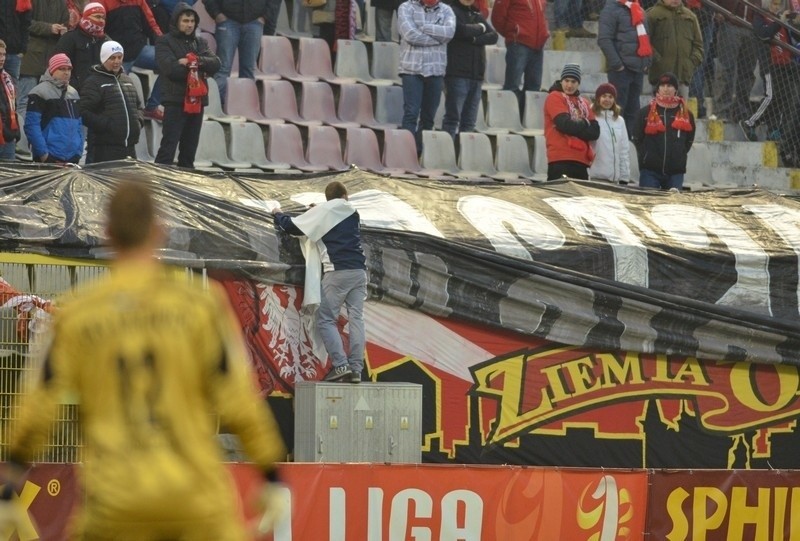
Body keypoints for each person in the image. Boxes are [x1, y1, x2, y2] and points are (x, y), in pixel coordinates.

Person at [0, 180, 288, 539]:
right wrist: (271, 476)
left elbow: (39, 406)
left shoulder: (78, 315)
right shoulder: (200, 307)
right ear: (159, 230)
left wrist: (8, 487)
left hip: (116, 505)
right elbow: (239, 399)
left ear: (106, 234)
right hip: (194, 501)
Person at [272, 181, 368, 384]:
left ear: (327, 198)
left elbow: (293, 227)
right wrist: (318, 211)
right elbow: (333, 219)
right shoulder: (353, 210)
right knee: (357, 319)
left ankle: (341, 365)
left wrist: (278, 213)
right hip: (360, 272)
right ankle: (357, 369)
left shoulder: (324, 210)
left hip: (337, 272)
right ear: (345, 195)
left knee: (325, 319)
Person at [155, 2, 220, 168]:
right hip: (175, 101)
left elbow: (216, 63)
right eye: (185, 21)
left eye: (192, 21)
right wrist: (200, 69)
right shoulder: (164, 41)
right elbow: (170, 69)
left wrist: (193, 61)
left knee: (189, 151)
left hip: (197, 102)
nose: (189, 24)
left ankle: (184, 188)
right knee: (167, 150)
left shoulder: (200, 43)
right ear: (177, 21)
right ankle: (158, 186)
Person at [397, 0, 456, 154]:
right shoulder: (406, 7)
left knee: (428, 118)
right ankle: (406, 154)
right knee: (411, 114)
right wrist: (437, 37)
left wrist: (423, 28)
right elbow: (410, 35)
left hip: (436, 70)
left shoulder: (447, 10)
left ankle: (422, 153)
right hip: (411, 69)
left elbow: (449, 33)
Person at [738, 0, 800, 142]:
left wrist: (796, 23)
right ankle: (749, 122)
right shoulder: (760, 16)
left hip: (787, 65)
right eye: (773, 3)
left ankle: (776, 131)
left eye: (778, 4)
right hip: (771, 64)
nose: (775, 7)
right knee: (770, 97)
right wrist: (780, 22)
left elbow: (796, 39)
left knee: (790, 99)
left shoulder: (783, 20)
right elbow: (763, 34)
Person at [441, 0, 497, 140]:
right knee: (452, 119)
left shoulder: (476, 12)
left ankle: (463, 155)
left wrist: (473, 39)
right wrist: (481, 29)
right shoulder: (451, 11)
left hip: (476, 74)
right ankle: (447, 153)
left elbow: (493, 36)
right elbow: (460, 30)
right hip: (457, 73)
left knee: (469, 122)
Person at [80, 41, 142, 163]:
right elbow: (83, 111)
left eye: (120, 57)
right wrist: (107, 125)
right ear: (104, 59)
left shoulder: (127, 79)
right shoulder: (93, 82)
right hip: (104, 149)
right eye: (112, 58)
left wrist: (138, 123)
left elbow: (138, 107)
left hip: (129, 148)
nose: (117, 61)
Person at [597, 0, 653, 135]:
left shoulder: (639, 9)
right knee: (617, 109)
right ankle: (614, 139)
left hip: (638, 69)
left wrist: (646, 63)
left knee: (633, 110)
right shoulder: (611, 9)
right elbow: (604, 39)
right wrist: (618, 65)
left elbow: (646, 38)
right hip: (620, 70)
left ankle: (630, 142)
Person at [632, 71, 695, 190]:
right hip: (650, 171)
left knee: (673, 207)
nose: (666, 89)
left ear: (676, 89)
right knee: (647, 204)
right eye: (663, 86)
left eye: (670, 86)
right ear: (658, 89)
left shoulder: (687, 115)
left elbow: (689, 140)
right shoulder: (644, 113)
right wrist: (646, 156)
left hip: (675, 172)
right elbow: (637, 138)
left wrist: (678, 155)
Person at [203, 0, 270, 103]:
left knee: (249, 69)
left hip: (254, 22)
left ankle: (244, 107)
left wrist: (265, 16)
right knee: (222, 68)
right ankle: (216, 106)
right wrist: (216, 13)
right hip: (227, 20)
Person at [24, 53, 84, 163]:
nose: (66, 73)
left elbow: (79, 125)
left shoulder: (73, 93)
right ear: (52, 70)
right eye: (62, 69)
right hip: (49, 157)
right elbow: (32, 126)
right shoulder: (39, 92)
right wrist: (44, 155)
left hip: (72, 158)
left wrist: (78, 152)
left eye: (69, 69)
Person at [543, 63, 600, 180]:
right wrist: (585, 123)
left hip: (581, 161)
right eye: (566, 80)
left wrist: (575, 126)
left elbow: (595, 132)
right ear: (561, 80)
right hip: (560, 158)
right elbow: (565, 125)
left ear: (578, 83)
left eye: (573, 82)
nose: (569, 85)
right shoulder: (554, 97)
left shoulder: (584, 102)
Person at [16, 0, 69, 120]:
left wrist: (63, 29)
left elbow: (66, 21)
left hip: (51, 61)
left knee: (47, 103)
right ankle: (24, 137)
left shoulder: (61, 3)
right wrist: (48, 28)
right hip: (30, 59)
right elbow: (24, 22)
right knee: (25, 101)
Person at [491, 0, 549, 110]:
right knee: (512, 85)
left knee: (534, 88)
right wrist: (513, 34)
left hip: (538, 45)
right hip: (518, 44)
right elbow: (497, 18)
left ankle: (524, 120)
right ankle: (508, 118)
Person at [645, 0, 703, 98]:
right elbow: (645, 43)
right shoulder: (652, 15)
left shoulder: (690, 16)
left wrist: (690, 63)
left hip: (683, 78)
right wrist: (658, 61)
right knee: (659, 111)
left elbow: (699, 46)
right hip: (660, 79)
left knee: (681, 112)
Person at [53, 2, 110, 92]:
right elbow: (59, 66)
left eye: (103, 18)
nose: (101, 21)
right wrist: (74, 87)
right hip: (76, 92)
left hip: (101, 92)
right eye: (97, 17)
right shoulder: (70, 38)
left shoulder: (107, 41)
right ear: (87, 16)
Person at [589, 82, 630, 183]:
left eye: (610, 97)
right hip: (595, 178)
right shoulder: (591, 117)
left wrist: (624, 176)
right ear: (598, 98)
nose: (607, 100)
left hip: (615, 180)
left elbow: (624, 150)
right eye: (604, 96)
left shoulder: (620, 121)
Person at [0, 0, 32, 80]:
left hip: (14, 53)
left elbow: (26, 24)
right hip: (10, 51)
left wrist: (23, 49)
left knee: (12, 88)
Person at [0, 39, 21, 161]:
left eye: (3, 54)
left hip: (8, 139)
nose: (2, 58)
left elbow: (13, 107)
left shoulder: (7, 78)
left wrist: (15, 134)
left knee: (9, 180)